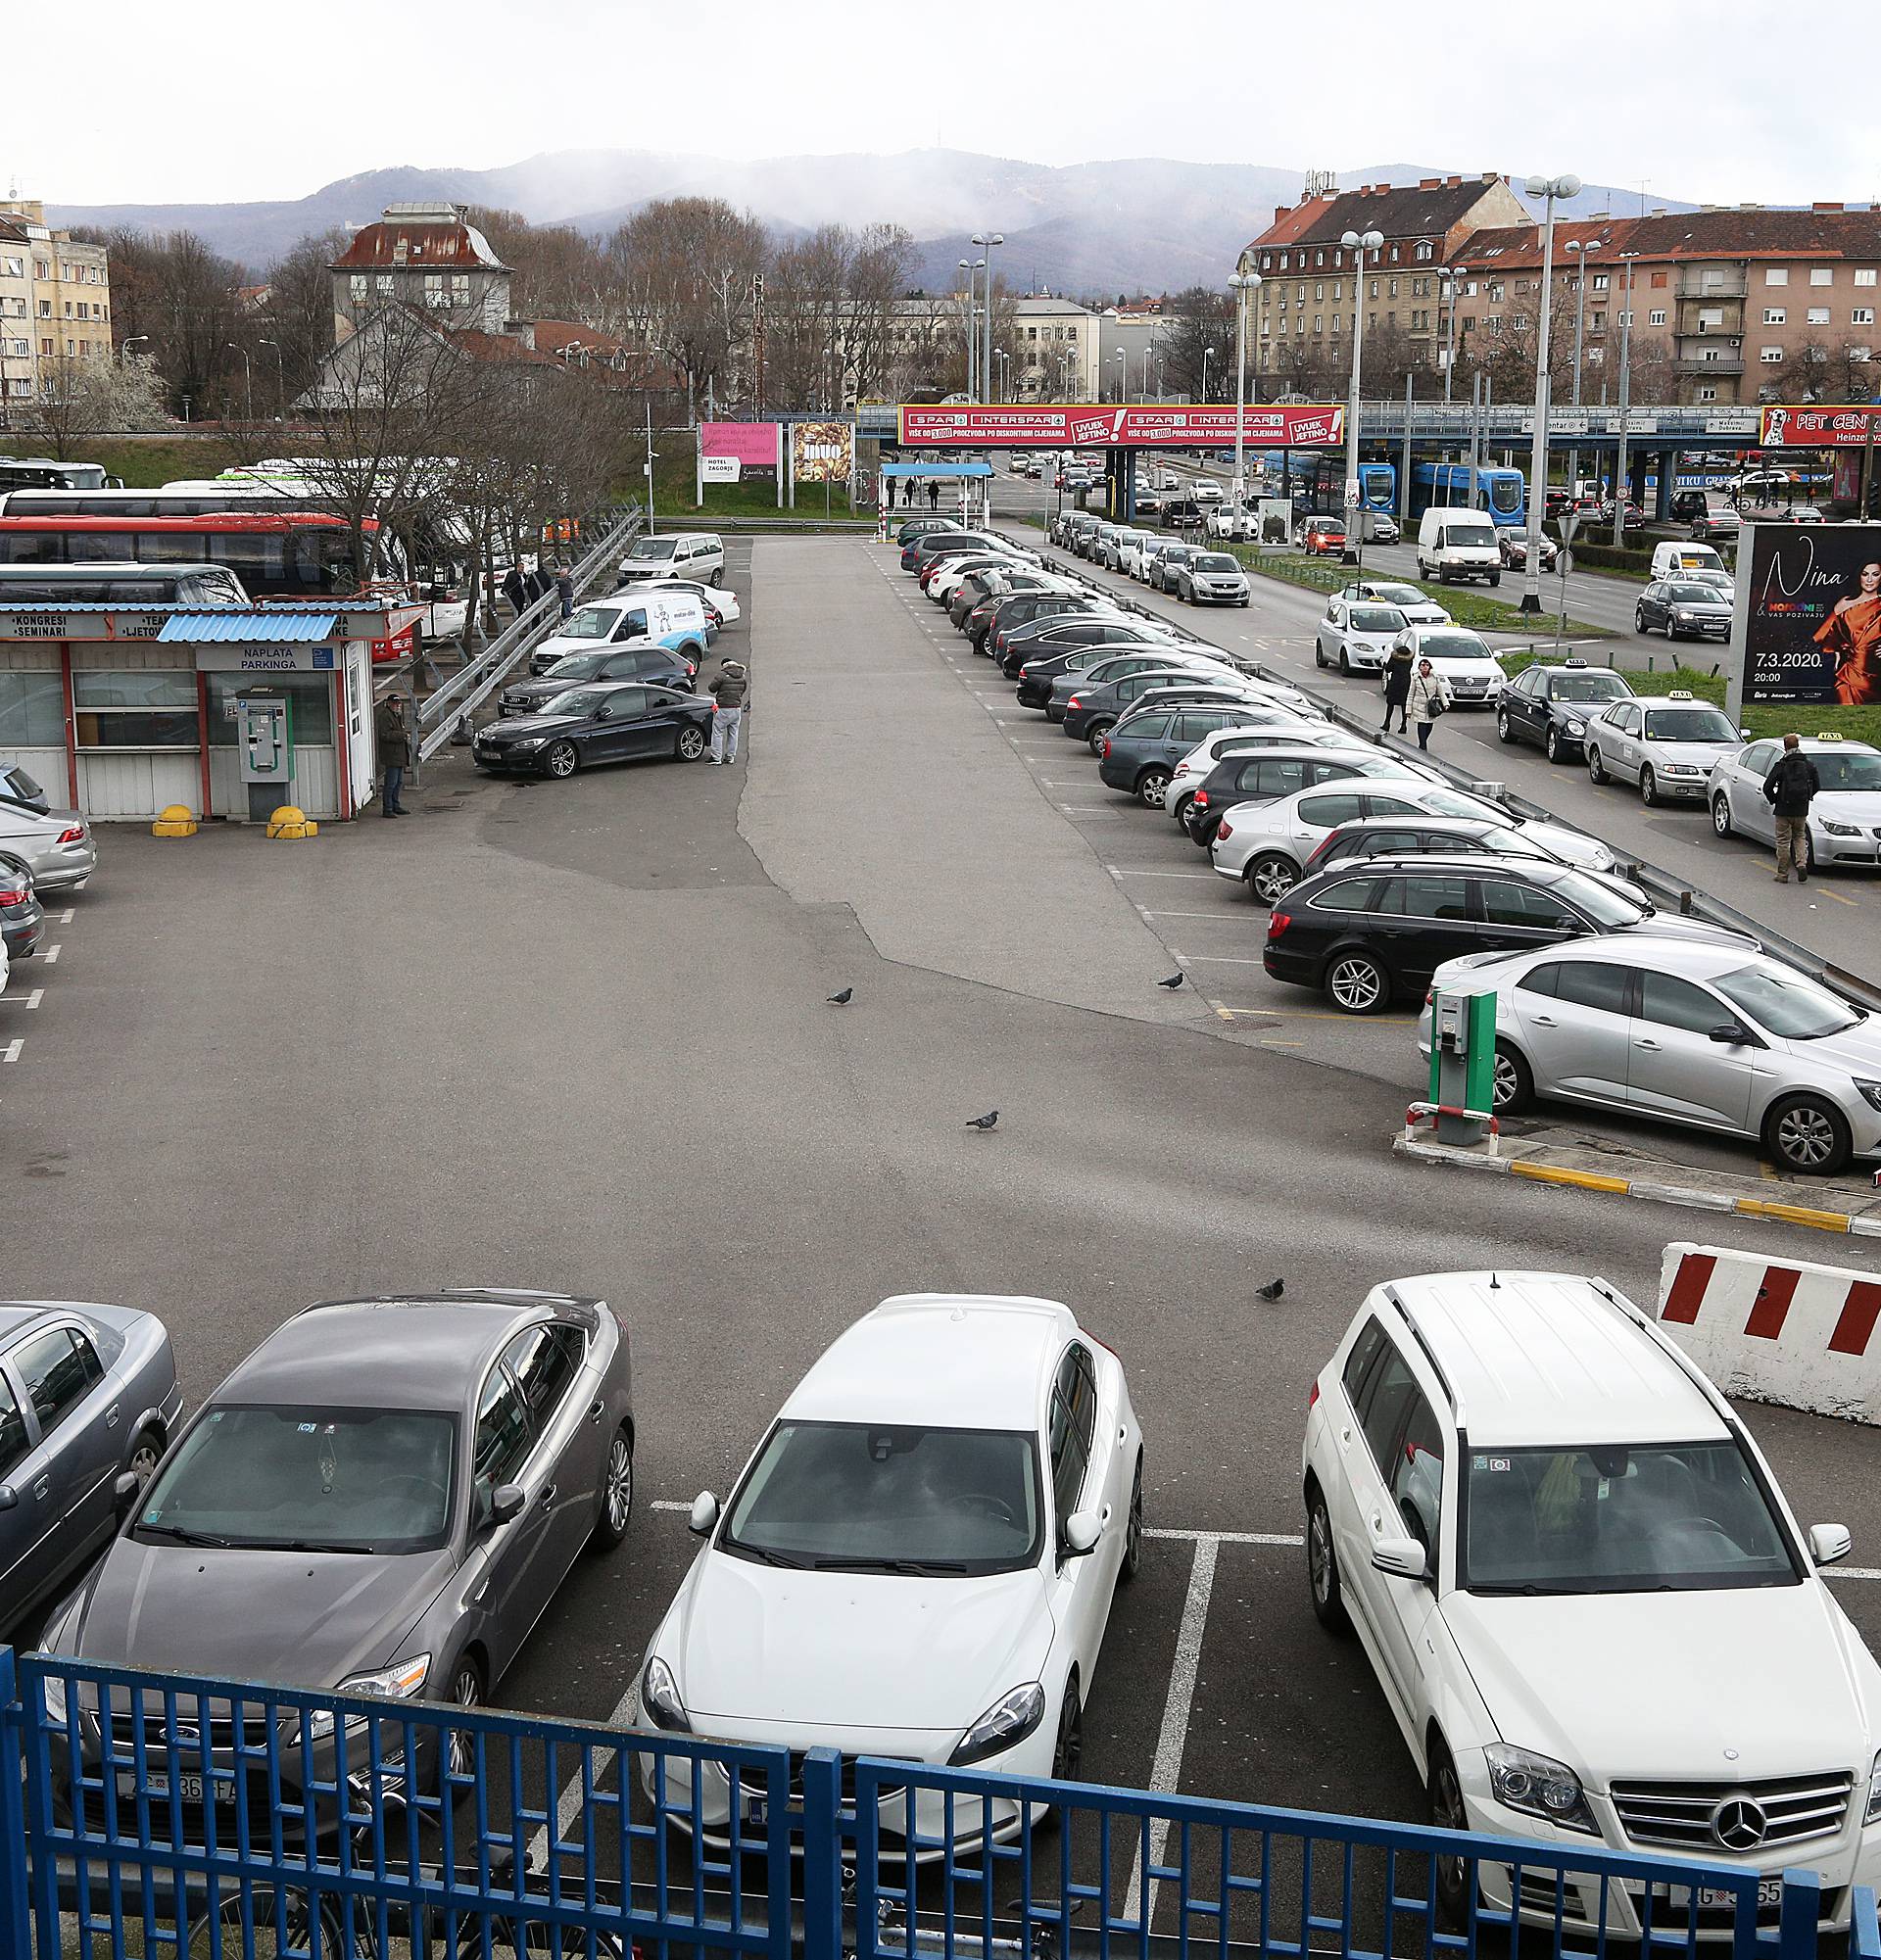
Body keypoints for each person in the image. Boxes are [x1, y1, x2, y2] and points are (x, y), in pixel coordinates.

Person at [1815, 560, 1881, 706]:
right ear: (1859, 576)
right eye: (1865, 574)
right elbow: (1826, 634)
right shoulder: (1845, 603)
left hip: (1876, 673)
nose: (1869, 579)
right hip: (1848, 673)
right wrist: (1836, 656)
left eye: (1875, 574)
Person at [1763, 732, 1821, 883]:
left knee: (1783, 841)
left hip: (1783, 809)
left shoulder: (1781, 765)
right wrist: (1807, 798)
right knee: (1799, 837)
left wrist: (1775, 799)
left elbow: (1767, 787)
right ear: (1798, 746)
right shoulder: (1809, 765)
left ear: (1785, 747)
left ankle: (1783, 874)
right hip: (1801, 810)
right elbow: (1817, 785)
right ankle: (1801, 863)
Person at [374, 693, 411, 817]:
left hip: (398, 755)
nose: (397, 706)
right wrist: (403, 736)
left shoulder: (396, 715)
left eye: (398, 703)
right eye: (395, 703)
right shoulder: (385, 716)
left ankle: (395, 805)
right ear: (389, 703)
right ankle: (388, 808)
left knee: (398, 782)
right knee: (391, 783)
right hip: (391, 755)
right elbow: (385, 735)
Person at [708, 658, 748, 765]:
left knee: (717, 732)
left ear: (725, 666)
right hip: (736, 708)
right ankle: (730, 757)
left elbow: (712, 688)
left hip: (724, 707)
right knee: (733, 733)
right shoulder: (742, 676)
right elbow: (743, 689)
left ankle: (716, 758)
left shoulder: (722, 675)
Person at [1407, 656, 1450, 751]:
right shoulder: (1416, 678)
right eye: (1423, 665)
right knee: (1421, 726)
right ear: (1419, 667)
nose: (1425, 667)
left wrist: (1445, 703)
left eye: (1427, 665)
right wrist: (1408, 710)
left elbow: (1440, 692)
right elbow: (1410, 694)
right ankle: (1423, 747)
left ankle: (1422, 744)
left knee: (1429, 727)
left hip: (1431, 707)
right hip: (1419, 707)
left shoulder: (1434, 678)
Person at [1381, 636, 1415, 735]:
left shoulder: (1395, 657)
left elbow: (1388, 669)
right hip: (1406, 681)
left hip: (1395, 682)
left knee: (1391, 703)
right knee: (1404, 704)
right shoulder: (1409, 657)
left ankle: (1387, 724)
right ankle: (1403, 726)